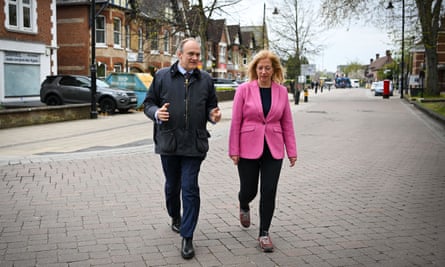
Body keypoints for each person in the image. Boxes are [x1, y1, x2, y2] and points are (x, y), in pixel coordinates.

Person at [143, 37, 221, 259]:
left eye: (198, 54)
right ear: (179, 55)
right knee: (172, 186)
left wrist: (213, 116)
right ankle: (174, 216)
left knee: (189, 187)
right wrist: (157, 113)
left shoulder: (205, 79)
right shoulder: (162, 77)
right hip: (169, 142)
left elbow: (211, 108)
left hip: (194, 144)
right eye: (191, 54)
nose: (196, 58)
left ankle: (188, 236)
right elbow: (148, 104)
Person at [228, 50, 297, 252]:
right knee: (249, 190)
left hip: (274, 149)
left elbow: (287, 123)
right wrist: (234, 149)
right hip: (247, 146)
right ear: (254, 69)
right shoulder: (244, 90)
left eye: (268, 68)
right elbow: (236, 121)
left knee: (269, 191)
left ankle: (264, 233)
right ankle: (243, 203)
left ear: (274, 70)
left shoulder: (282, 92)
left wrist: (291, 150)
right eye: (260, 68)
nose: (264, 72)